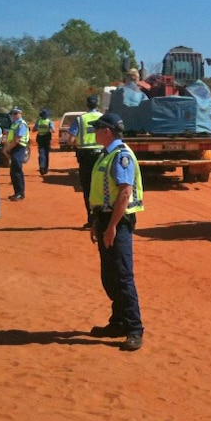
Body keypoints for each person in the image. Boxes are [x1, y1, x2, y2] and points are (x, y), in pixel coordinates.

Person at [86, 113, 145, 351]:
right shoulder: (107, 154)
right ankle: (118, 322)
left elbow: (124, 192)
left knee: (122, 276)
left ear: (107, 131)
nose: (95, 132)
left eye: (97, 128)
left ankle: (134, 329)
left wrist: (111, 226)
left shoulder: (121, 156)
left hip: (117, 223)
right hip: (105, 219)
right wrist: (95, 222)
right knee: (110, 276)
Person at [70, 95, 104, 229]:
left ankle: (91, 220)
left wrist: (79, 144)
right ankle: (103, 219)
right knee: (102, 187)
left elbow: (71, 140)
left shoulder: (80, 120)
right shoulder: (103, 118)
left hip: (85, 157)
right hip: (101, 156)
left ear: (87, 105)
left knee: (88, 189)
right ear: (98, 104)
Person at [3, 107, 29, 201]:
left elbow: (17, 139)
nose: (13, 115)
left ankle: (20, 193)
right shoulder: (14, 124)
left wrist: (8, 148)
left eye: (15, 113)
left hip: (19, 147)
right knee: (14, 171)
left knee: (17, 171)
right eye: (12, 114)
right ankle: (17, 192)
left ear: (20, 113)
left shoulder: (21, 124)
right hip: (14, 148)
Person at [32, 109, 55, 175]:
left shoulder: (38, 121)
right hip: (47, 138)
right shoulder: (49, 121)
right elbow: (53, 130)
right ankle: (46, 169)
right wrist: (48, 129)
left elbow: (34, 130)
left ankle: (41, 166)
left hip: (40, 138)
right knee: (46, 153)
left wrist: (39, 128)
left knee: (41, 152)